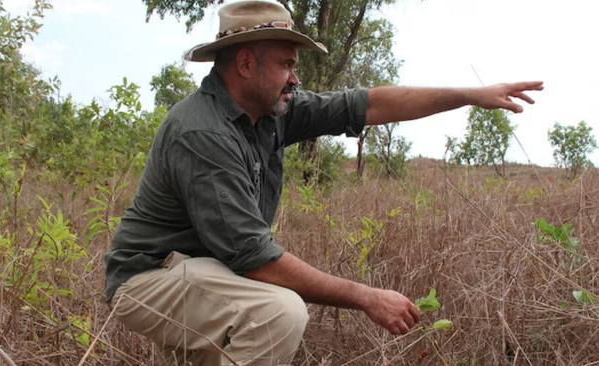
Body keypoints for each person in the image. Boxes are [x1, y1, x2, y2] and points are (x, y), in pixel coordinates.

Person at [104, 1, 543, 365]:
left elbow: (368, 104)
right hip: (148, 279)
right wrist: (368, 296)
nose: (295, 78)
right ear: (244, 63)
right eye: (287, 65)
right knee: (278, 312)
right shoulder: (203, 133)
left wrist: (467, 95)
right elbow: (254, 257)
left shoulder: (272, 111)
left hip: (204, 271)